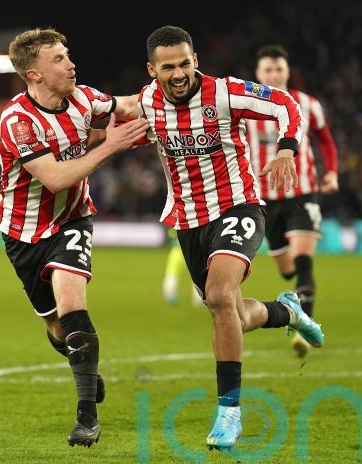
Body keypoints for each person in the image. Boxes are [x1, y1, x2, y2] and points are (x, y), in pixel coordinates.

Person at [138, 26, 324, 451]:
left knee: (220, 296)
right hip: (189, 221)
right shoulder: (147, 102)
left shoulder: (225, 92)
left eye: (185, 63)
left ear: (196, 60)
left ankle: (229, 412)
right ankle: (287, 311)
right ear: (152, 70)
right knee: (234, 316)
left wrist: (287, 148)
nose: (179, 73)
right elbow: (110, 119)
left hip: (237, 206)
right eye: (168, 67)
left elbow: (286, 104)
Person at [0, 28, 148, 447]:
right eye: (58, 59)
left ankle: (86, 419)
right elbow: (56, 177)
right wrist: (110, 144)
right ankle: (87, 368)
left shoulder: (84, 98)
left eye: (67, 55)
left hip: (73, 220)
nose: (71, 64)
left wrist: (169, 92)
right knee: (57, 328)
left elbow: (129, 105)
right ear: (34, 74)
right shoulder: (18, 122)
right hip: (23, 233)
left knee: (72, 305)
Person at [246, 44, 339, 358]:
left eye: (279, 69)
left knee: (302, 262)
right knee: (286, 270)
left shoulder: (307, 104)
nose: (274, 74)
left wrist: (332, 173)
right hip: (264, 200)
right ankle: (295, 307)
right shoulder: (245, 106)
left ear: (287, 72)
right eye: (268, 70)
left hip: (303, 193)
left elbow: (325, 139)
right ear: (258, 74)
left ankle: (304, 327)